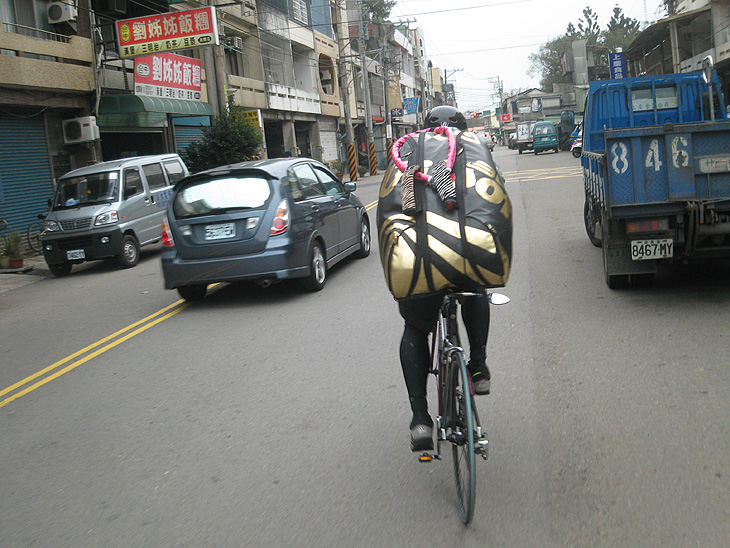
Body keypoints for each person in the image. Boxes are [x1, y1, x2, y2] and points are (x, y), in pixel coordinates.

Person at [397, 105, 494, 452]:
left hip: (421, 260)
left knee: (415, 328)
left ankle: (421, 417)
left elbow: (390, 210)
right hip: (468, 257)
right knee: (476, 289)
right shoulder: (477, 152)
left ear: (424, 130)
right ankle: (478, 366)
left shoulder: (407, 152)